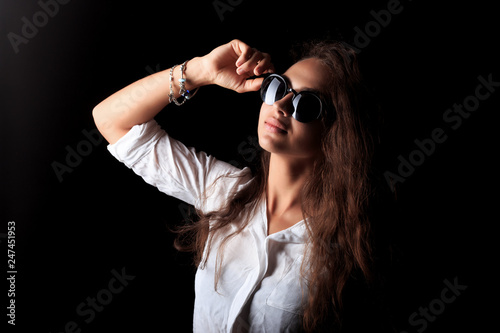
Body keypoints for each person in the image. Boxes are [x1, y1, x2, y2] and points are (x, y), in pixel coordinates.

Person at [93, 39, 383, 332]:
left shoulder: (349, 247)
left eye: (305, 104)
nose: (280, 105)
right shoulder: (223, 190)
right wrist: (199, 70)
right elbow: (111, 121)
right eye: (277, 87)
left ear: (337, 133)